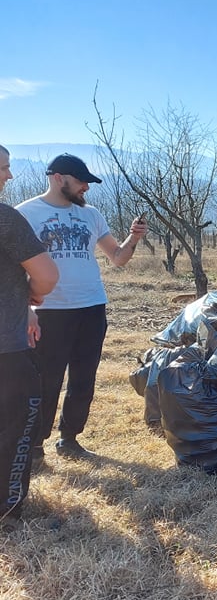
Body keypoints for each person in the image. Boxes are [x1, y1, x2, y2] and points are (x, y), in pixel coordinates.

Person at [16, 153, 148, 462]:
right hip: (49, 310)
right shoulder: (26, 214)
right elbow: (13, 268)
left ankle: (69, 438)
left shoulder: (92, 215)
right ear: (58, 178)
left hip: (91, 306)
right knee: (46, 379)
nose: (85, 189)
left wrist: (133, 237)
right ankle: (35, 446)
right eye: (81, 182)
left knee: (83, 378)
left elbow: (117, 257)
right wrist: (26, 308)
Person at [0, 144, 59, 527]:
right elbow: (47, 276)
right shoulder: (5, 219)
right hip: (5, 350)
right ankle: (7, 509)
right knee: (16, 425)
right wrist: (32, 294)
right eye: (3, 168)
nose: (8, 176)